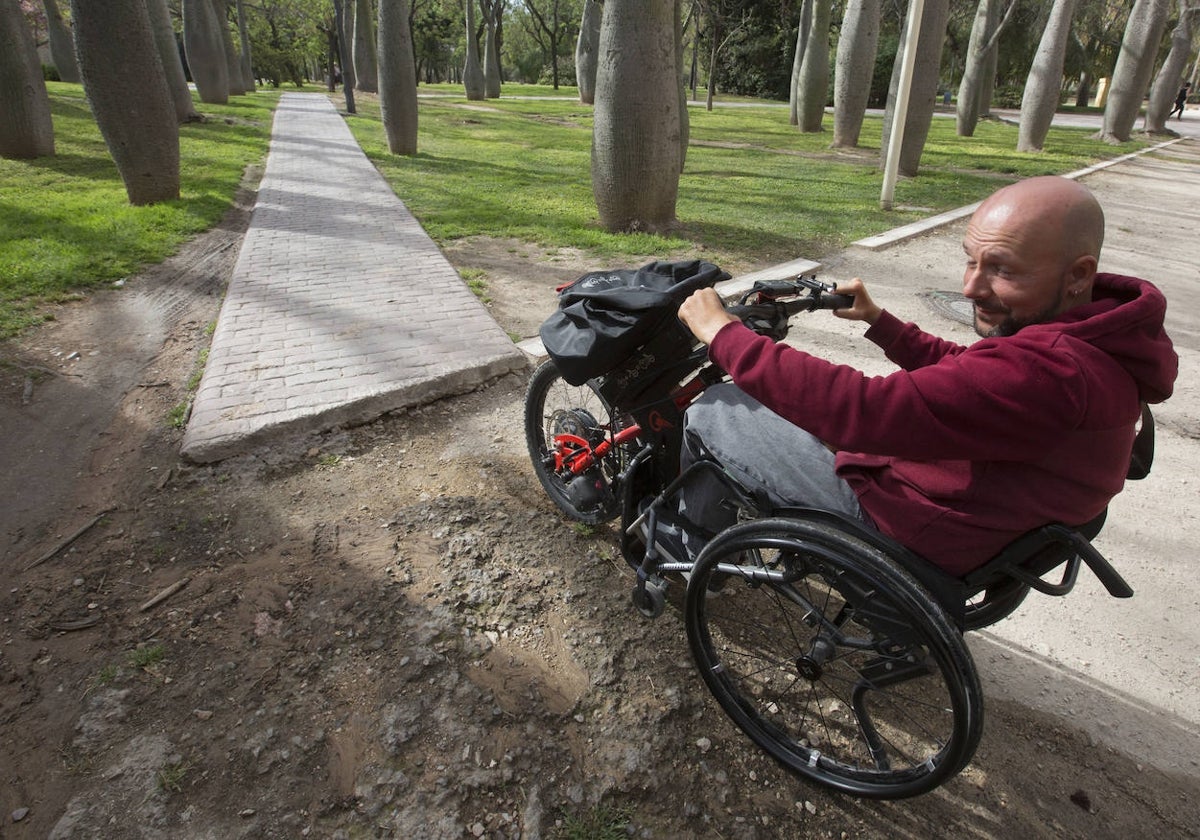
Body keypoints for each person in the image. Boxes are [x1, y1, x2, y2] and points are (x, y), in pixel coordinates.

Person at [674, 176, 1178, 577]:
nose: (970, 286)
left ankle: (690, 551)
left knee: (716, 408)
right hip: (981, 521)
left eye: (1001, 269)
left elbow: (859, 409)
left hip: (911, 526)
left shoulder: (1051, 370)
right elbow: (973, 378)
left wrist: (723, 332)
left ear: (1078, 275)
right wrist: (884, 325)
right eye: (971, 260)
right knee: (781, 412)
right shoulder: (1100, 339)